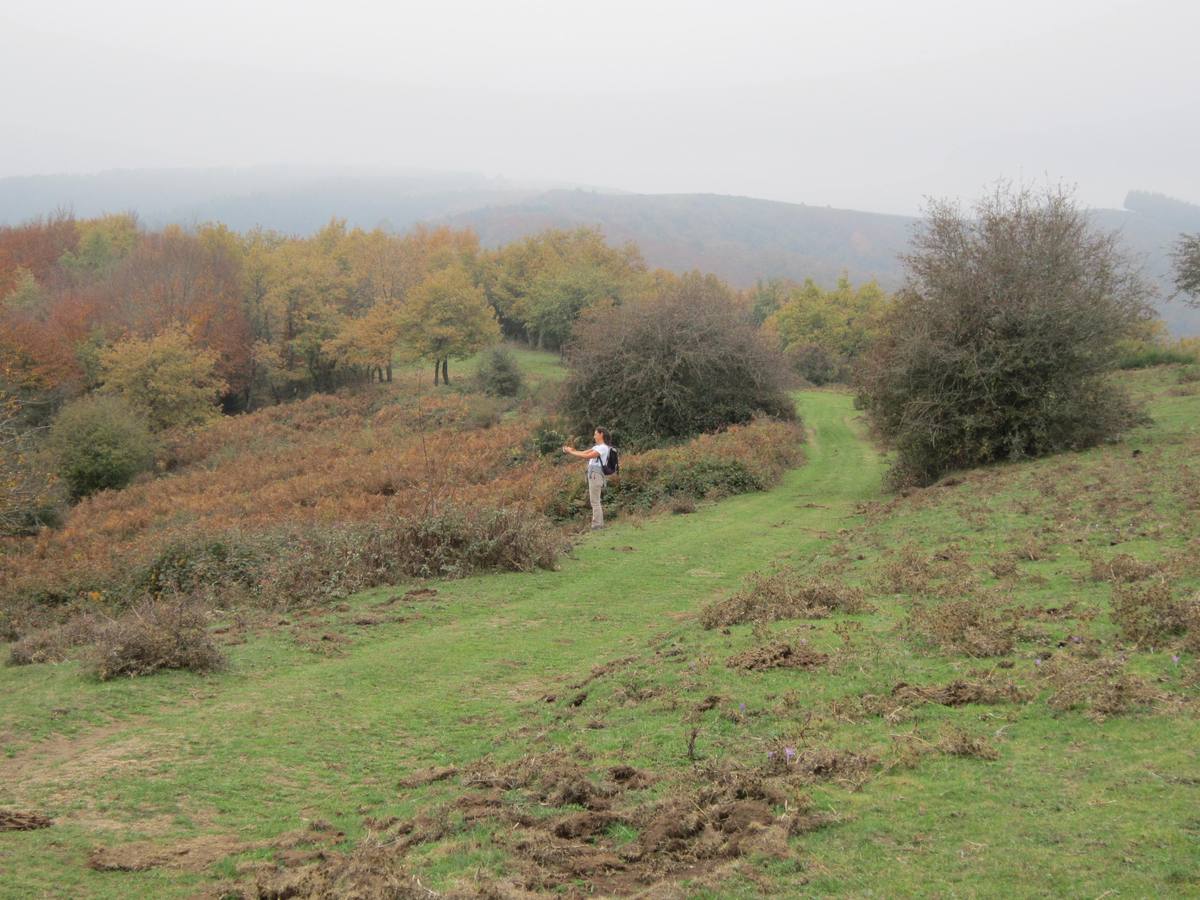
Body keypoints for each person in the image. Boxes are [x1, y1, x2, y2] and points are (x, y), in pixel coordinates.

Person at [562, 428, 611, 530]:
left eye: (595, 434)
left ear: (601, 434)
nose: (594, 436)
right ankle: (598, 524)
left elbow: (587, 456)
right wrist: (570, 450)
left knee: (595, 501)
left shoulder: (603, 448)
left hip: (595, 475)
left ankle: (597, 525)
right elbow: (583, 452)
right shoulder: (598, 447)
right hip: (594, 475)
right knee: (595, 501)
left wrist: (571, 452)